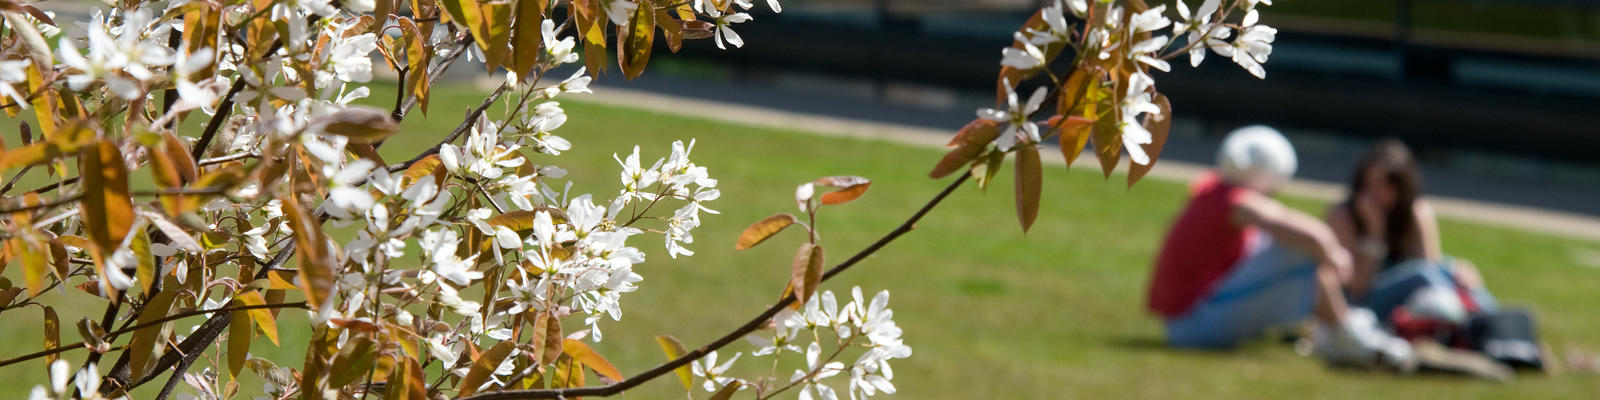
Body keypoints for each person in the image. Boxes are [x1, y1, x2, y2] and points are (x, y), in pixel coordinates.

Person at [1146, 126, 1412, 367]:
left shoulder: (1211, 189)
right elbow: (1309, 234)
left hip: (1183, 323)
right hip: (1194, 328)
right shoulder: (1237, 201)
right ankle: (1347, 336)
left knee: (1288, 246)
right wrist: (1333, 255)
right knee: (1301, 250)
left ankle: (1337, 330)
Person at [1325, 139, 1498, 325]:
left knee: (1455, 273)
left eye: (1385, 186)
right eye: (1370, 185)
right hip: (1360, 305)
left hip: (1409, 297)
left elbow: (1432, 264)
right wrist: (1375, 231)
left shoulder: (1415, 212)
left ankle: (1496, 320)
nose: (1375, 193)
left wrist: (1456, 270)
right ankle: (1475, 323)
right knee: (1421, 274)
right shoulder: (1343, 215)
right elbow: (1358, 287)